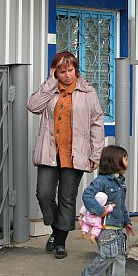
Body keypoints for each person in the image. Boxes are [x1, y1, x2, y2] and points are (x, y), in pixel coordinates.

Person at [27, 51, 105, 259]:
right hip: (49, 152)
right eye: (62, 72)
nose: (67, 75)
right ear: (56, 72)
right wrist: (50, 83)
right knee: (43, 194)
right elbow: (32, 106)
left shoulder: (88, 92)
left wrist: (95, 154)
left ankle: (60, 241)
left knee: (67, 198)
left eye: (70, 70)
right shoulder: (50, 90)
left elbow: (97, 123)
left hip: (76, 154)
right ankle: (56, 229)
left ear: (76, 70)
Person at [81, 145, 134, 276]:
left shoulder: (120, 182)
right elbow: (87, 195)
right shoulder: (101, 181)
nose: (127, 162)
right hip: (104, 229)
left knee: (119, 258)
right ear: (116, 161)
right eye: (125, 158)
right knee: (107, 255)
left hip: (118, 228)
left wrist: (127, 222)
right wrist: (100, 211)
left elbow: (121, 205)